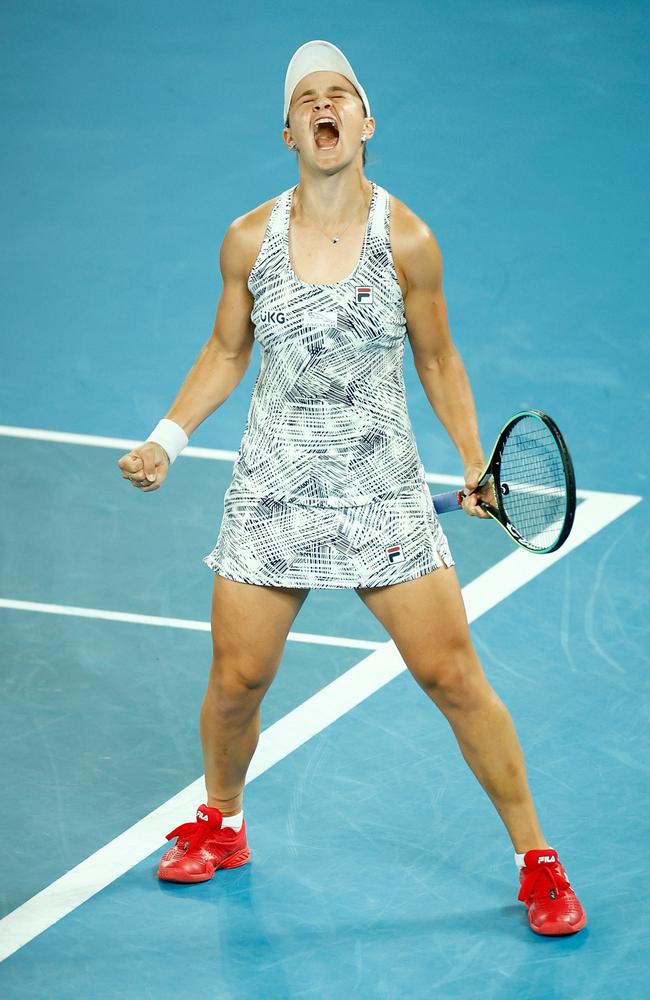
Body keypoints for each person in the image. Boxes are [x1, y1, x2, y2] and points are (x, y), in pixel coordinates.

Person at [118, 40, 586, 935]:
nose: (323, 107)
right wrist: (167, 440)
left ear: (365, 124)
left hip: (381, 488)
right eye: (306, 100)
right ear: (288, 130)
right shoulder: (249, 237)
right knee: (236, 682)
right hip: (273, 489)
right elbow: (226, 350)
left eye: (340, 96)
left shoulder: (405, 238)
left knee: (452, 676)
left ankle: (539, 860)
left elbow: (438, 356)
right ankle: (223, 824)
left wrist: (472, 457)